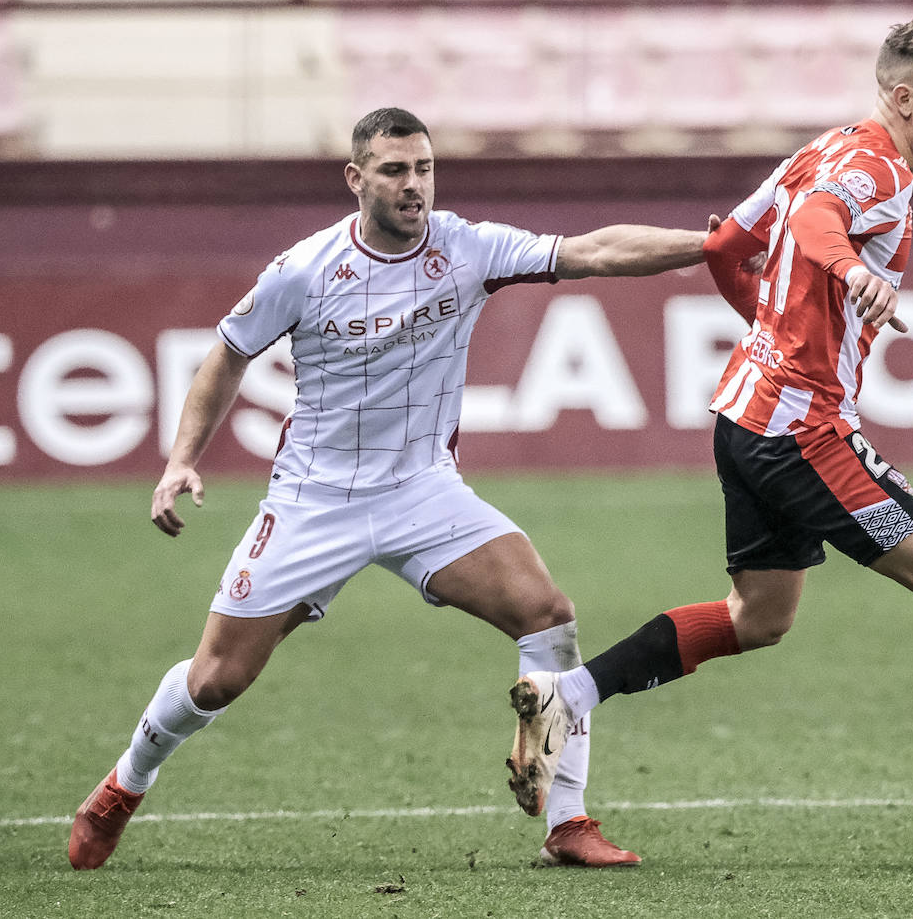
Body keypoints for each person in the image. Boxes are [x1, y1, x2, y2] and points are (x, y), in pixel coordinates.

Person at [505, 18, 913, 863]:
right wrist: (851, 272)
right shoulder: (876, 169)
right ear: (902, 96)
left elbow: (724, 247)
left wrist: (777, 323)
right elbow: (820, 225)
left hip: (744, 418)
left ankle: (573, 692)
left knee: (760, 617)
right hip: (803, 430)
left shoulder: (814, 151)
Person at [68, 107, 708, 871]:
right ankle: (122, 787)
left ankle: (565, 824)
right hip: (316, 499)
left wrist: (711, 244)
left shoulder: (467, 248)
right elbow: (227, 354)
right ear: (357, 178)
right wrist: (180, 459)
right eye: (396, 171)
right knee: (216, 680)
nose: (415, 187)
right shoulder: (304, 269)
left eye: (425, 169)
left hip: (423, 491)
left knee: (548, 615)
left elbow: (593, 251)